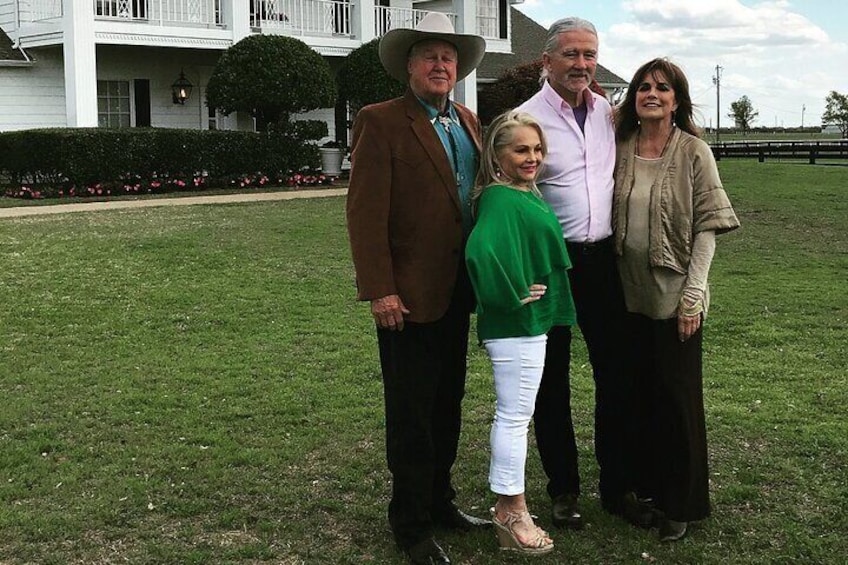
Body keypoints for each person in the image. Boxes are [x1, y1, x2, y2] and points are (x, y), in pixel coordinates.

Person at [345, 12, 490, 565]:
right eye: (429, 56)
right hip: (405, 298)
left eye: (448, 57)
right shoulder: (381, 122)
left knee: (447, 404)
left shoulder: (470, 122)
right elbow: (364, 214)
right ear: (409, 67)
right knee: (410, 412)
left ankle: (441, 502)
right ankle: (409, 524)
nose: (440, 64)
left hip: (458, 292)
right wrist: (380, 290)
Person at [518, 16, 648, 529]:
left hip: (603, 261)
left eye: (589, 55)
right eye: (571, 55)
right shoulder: (525, 119)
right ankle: (564, 489)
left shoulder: (609, 116)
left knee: (615, 375)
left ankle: (619, 487)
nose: (582, 65)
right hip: (552, 263)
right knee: (552, 381)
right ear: (546, 61)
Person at [612, 58, 740, 541]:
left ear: (677, 99)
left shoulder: (693, 152)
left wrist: (693, 295)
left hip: (674, 295)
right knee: (640, 394)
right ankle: (646, 487)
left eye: (662, 88)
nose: (652, 94)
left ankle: (681, 503)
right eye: (643, 86)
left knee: (677, 399)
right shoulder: (622, 146)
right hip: (626, 292)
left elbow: (708, 226)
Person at [465, 110, 577, 555]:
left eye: (536, 149)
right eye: (521, 150)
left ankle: (510, 509)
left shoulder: (522, 191)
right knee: (514, 416)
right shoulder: (500, 198)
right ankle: (511, 512)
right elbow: (480, 250)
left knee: (518, 413)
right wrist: (508, 292)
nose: (532, 157)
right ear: (497, 155)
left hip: (531, 322)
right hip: (516, 325)